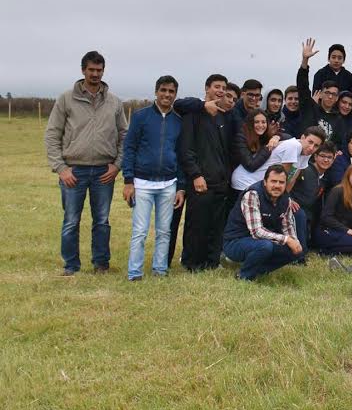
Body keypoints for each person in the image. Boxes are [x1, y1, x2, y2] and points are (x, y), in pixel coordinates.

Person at [45, 51, 128, 275]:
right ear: (83, 70)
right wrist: (61, 168)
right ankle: (71, 266)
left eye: (99, 70)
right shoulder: (66, 99)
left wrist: (117, 165)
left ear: (103, 71)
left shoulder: (114, 102)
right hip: (74, 171)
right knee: (71, 220)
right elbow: (52, 135)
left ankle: (101, 264)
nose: (95, 74)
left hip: (104, 171)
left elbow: (124, 136)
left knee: (102, 220)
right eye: (91, 70)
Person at [121, 75, 185, 281]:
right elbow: (129, 148)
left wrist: (181, 187)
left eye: (171, 91)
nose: (167, 94)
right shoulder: (141, 117)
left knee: (164, 231)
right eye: (163, 90)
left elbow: (181, 155)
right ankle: (135, 272)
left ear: (175, 94)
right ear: (156, 92)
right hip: (142, 183)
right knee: (140, 231)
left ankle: (160, 270)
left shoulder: (178, 121)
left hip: (168, 184)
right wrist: (128, 181)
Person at [178, 74, 233, 272]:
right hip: (201, 179)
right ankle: (192, 262)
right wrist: (195, 175)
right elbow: (186, 149)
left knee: (215, 225)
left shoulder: (223, 115)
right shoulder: (193, 113)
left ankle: (211, 262)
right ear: (206, 88)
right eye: (216, 86)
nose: (220, 90)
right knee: (197, 224)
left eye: (223, 87)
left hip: (220, 180)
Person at [222, 165, 305, 280]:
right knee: (265, 246)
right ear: (265, 182)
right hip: (236, 241)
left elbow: (288, 226)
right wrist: (286, 240)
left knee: (295, 251)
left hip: (262, 241)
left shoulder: (286, 199)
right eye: (273, 181)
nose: (277, 186)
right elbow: (257, 232)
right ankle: (243, 276)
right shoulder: (252, 195)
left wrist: (294, 241)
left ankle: (257, 271)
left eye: (281, 182)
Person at [292, 142, 336, 242]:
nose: (326, 160)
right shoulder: (304, 169)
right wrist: (289, 199)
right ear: (315, 156)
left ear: (333, 159)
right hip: (295, 212)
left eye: (329, 157)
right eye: (322, 156)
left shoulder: (325, 179)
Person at [230, 110, 282, 193]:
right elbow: (251, 165)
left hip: (253, 182)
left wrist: (276, 137)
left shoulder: (263, 135)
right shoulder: (241, 138)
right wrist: (268, 147)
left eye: (263, 122)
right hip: (240, 184)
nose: (260, 125)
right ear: (250, 124)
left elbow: (285, 136)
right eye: (256, 122)